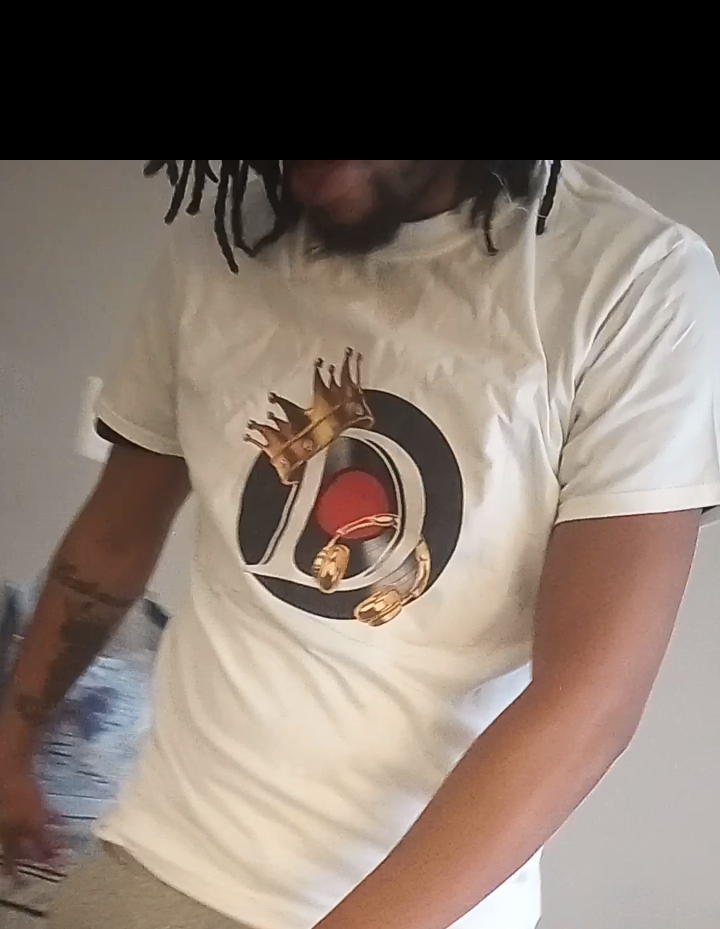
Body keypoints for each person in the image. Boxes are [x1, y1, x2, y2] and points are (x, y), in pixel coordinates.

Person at [1, 160, 719, 929]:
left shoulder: (633, 278)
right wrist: (13, 741)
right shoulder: (222, 244)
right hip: (150, 864)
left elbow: (589, 702)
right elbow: (114, 535)